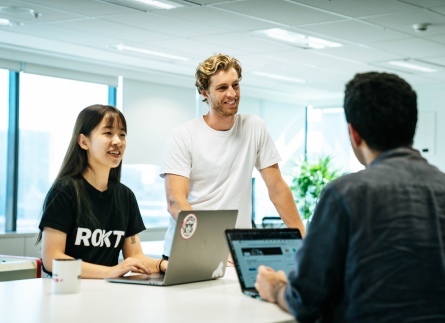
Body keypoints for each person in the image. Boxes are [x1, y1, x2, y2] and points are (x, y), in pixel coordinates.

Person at [255, 72, 445, 322]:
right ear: (412, 126)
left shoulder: (344, 193)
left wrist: (277, 288)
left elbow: (307, 301)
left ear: (354, 134)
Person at [159, 53, 306, 259]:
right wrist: (211, 248)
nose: (232, 93)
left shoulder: (254, 127)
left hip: (236, 252)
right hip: (190, 250)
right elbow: (176, 201)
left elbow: (278, 189)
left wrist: (304, 241)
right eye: (222, 88)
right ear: (205, 93)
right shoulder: (183, 135)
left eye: (235, 85)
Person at [37, 104, 167, 278]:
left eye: (122, 135)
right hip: (68, 292)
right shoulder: (65, 190)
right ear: (84, 142)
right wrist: (110, 271)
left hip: (107, 293)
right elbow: (52, 259)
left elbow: (135, 256)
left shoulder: (125, 196)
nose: (118, 141)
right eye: (108, 133)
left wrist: (164, 264)